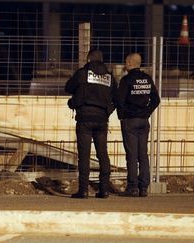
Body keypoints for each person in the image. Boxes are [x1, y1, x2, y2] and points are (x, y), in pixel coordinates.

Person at [65, 49, 118, 199]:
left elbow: (68, 87)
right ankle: (104, 190)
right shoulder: (109, 77)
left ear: (89, 60)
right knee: (103, 154)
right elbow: (117, 98)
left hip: (85, 118)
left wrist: (75, 101)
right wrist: (108, 111)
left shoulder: (82, 73)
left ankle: (83, 190)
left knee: (84, 155)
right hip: (101, 119)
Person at [117, 53, 160, 197]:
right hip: (143, 120)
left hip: (130, 120)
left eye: (125, 62)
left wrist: (122, 116)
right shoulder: (147, 79)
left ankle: (132, 187)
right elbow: (156, 99)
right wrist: (146, 112)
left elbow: (120, 101)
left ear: (129, 63)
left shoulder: (126, 80)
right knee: (143, 155)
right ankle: (143, 188)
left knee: (132, 155)